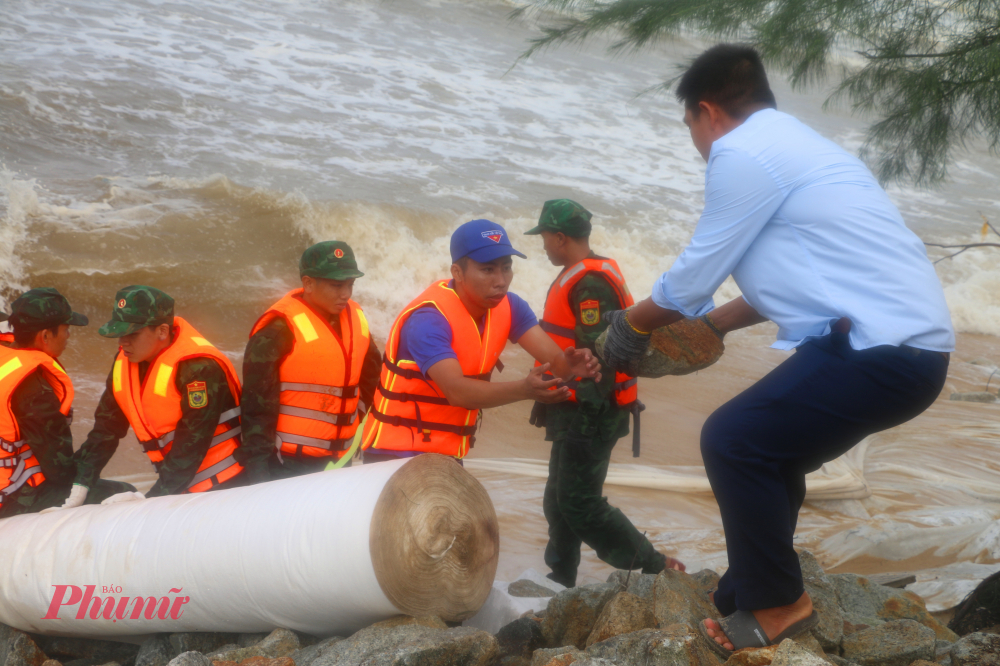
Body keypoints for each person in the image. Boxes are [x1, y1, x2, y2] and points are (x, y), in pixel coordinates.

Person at [598, 44, 954, 657]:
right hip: (904, 349)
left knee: (733, 440)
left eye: (690, 127)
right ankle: (749, 589)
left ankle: (781, 604)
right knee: (770, 451)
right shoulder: (798, 145)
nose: (697, 144)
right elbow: (801, 275)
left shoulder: (741, 152)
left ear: (707, 111)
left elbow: (691, 276)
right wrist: (717, 327)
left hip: (882, 350)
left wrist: (628, 328)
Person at [525, 199, 684, 587]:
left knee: (579, 502)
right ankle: (559, 578)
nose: (543, 244)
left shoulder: (591, 283)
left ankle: (655, 566)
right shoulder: (579, 273)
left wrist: (586, 412)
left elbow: (603, 355)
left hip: (591, 410)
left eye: (545, 236)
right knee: (558, 501)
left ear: (561, 237)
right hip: (574, 407)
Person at [360, 219, 601, 463]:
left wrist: (571, 366)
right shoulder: (428, 320)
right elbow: (457, 392)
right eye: (488, 269)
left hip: (448, 452)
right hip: (393, 454)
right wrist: (524, 389)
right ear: (457, 273)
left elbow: (557, 363)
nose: (501, 280)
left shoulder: (511, 307)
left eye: (506, 268)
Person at [61, 286, 248, 507]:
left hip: (226, 483)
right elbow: (106, 428)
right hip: (178, 483)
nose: (123, 342)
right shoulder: (125, 361)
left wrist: (152, 498)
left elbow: (192, 442)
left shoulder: (199, 368)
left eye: (132, 333)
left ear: (162, 331)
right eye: (120, 333)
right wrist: (81, 482)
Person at [241, 241, 381, 480]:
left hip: (341, 458)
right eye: (337, 285)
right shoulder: (277, 331)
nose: (345, 294)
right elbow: (256, 407)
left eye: (350, 284)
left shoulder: (357, 320)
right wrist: (257, 469)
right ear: (308, 283)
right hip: (288, 464)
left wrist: (361, 433)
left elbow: (372, 379)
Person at [0, 288, 136, 517]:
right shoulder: (33, 388)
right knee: (122, 492)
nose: (68, 336)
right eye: (66, 329)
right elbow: (59, 470)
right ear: (44, 336)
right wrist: (84, 476)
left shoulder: (6, 358)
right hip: (11, 496)